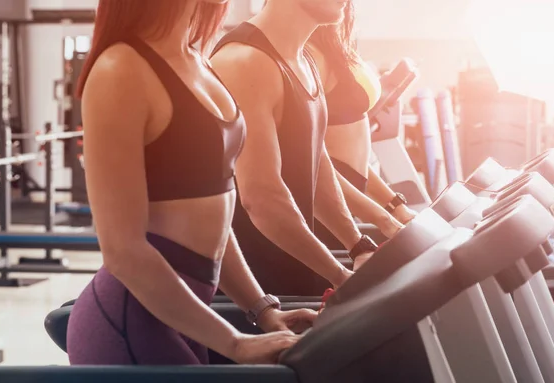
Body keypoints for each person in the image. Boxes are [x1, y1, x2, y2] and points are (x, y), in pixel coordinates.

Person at [66, 0, 316, 367]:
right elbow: (123, 251)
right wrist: (235, 343)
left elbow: (215, 219)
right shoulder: (120, 69)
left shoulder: (197, 60)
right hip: (131, 321)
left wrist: (262, 310)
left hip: (185, 316)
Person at [210, 0, 403, 296]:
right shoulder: (244, 62)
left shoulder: (303, 60)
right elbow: (262, 199)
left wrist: (358, 245)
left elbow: (317, 164)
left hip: (292, 271)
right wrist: (339, 275)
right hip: (254, 292)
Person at [307, 1, 418, 230]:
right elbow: (318, 167)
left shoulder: (334, 46)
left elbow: (350, 163)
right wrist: (384, 219)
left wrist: (396, 206)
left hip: (349, 197)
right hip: (329, 213)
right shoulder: (307, 58)